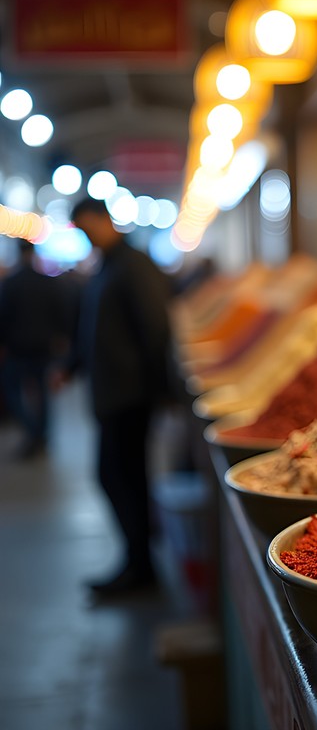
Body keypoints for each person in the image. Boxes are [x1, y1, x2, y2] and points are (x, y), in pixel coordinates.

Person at [58, 198, 173, 596]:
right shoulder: (107, 264)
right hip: (111, 391)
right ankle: (138, 558)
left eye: (86, 226)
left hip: (130, 393)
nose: (85, 234)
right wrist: (71, 366)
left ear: (103, 219)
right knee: (120, 476)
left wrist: (161, 391)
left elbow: (155, 329)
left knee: (119, 476)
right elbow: (93, 325)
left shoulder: (134, 264)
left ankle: (140, 565)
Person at [0, 240, 73, 458]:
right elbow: (62, 312)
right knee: (43, 394)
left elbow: (3, 316)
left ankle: (34, 431)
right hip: (44, 346)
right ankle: (40, 433)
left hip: (18, 347)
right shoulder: (47, 282)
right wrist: (62, 338)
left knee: (13, 390)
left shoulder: (11, 282)